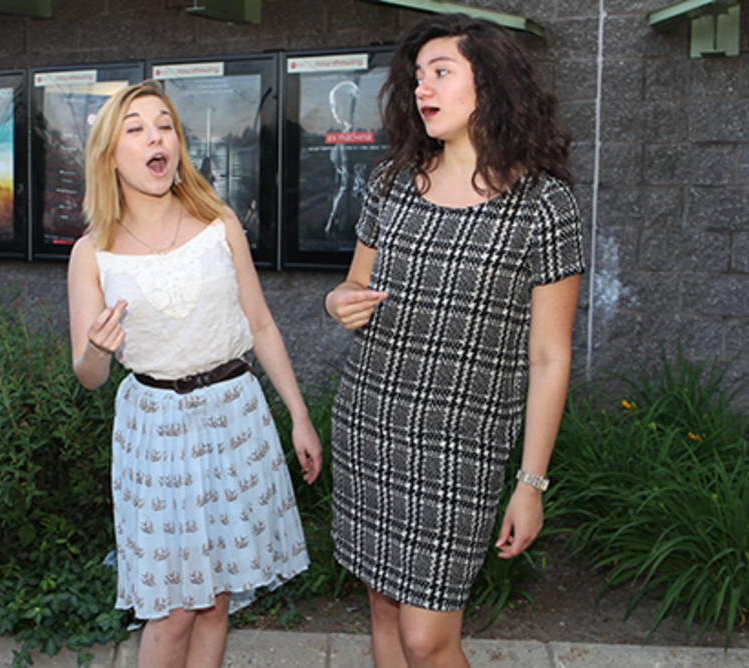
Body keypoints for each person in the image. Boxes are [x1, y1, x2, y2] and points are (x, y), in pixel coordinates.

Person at [324, 14, 585, 668]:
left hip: (460, 448)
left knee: (429, 640)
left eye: (442, 72)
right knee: (383, 608)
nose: (423, 88)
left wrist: (530, 483)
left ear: (491, 85)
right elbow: (349, 286)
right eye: (418, 77)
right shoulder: (390, 182)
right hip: (371, 424)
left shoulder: (542, 205)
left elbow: (551, 357)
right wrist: (340, 304)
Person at [67, 81, 323, 668]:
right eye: (135, 128)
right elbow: (87, 374)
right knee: (175, 609)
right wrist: (99, 350)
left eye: (165, 125)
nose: (155, 136)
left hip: (235, 418)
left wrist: (300, 417)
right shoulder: (92, 252)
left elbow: (259, 324)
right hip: (155, 433)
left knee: (215, 602)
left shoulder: (218, 221)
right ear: (110, 154)